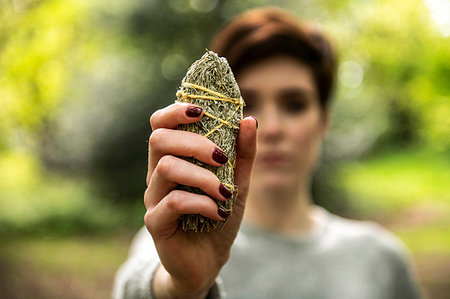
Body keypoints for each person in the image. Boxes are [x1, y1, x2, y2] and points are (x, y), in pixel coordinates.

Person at [113, 7, 421, 299]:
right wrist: (180, 288)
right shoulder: (171, 241)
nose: (271, 128)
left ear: (324, 119)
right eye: (247, 105)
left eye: (295, 104)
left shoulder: (380, 259)